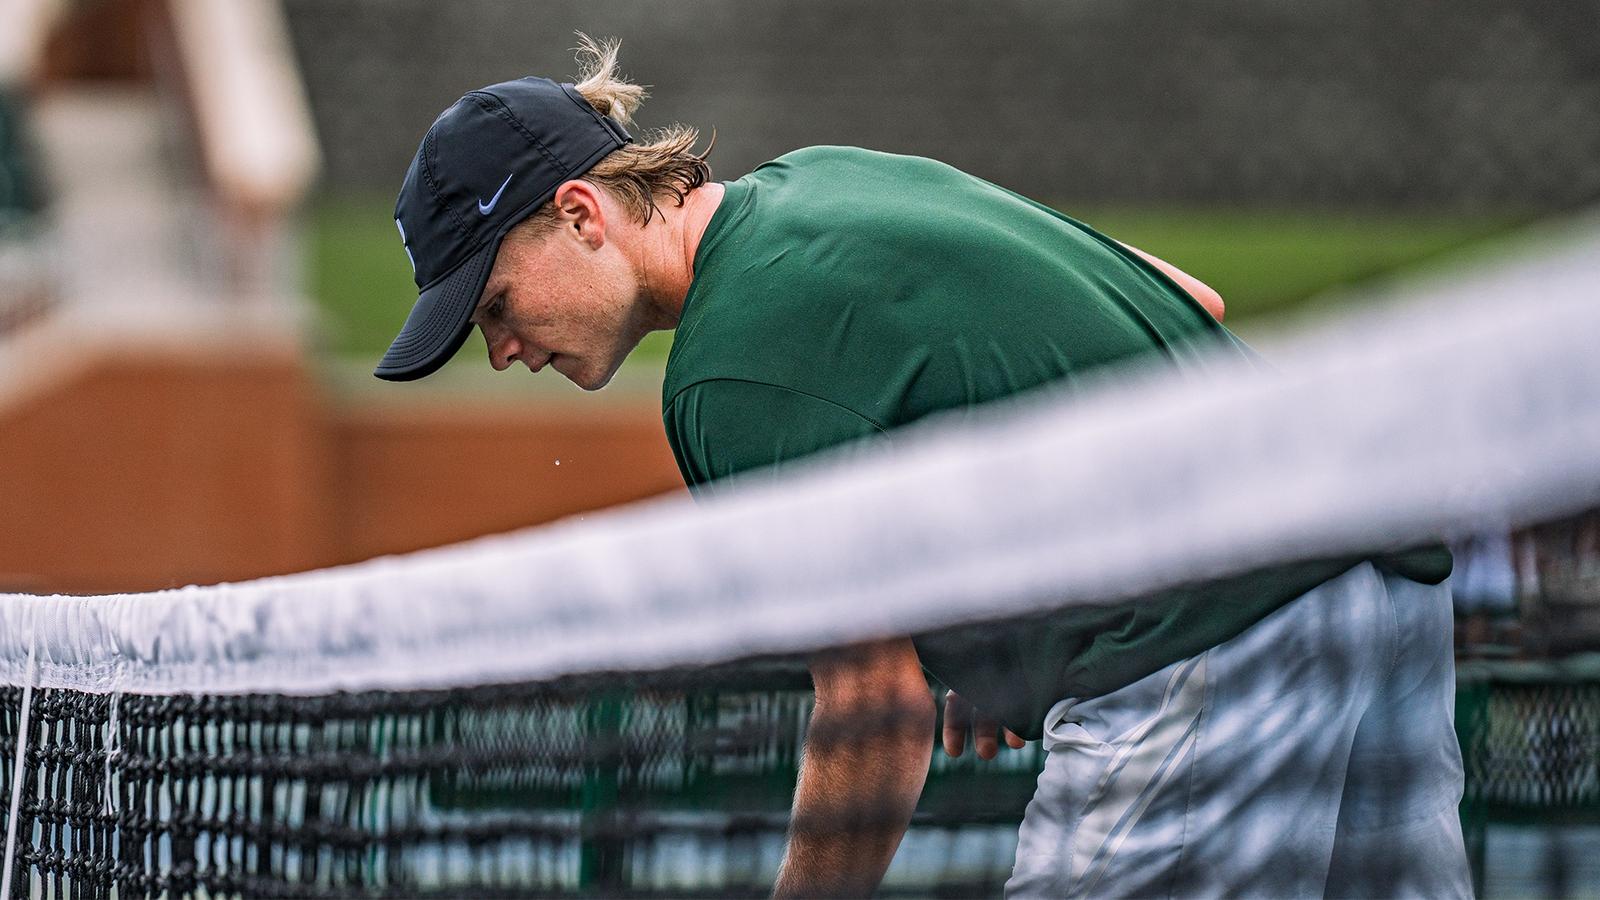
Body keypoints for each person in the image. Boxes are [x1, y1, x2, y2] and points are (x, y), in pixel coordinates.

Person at [376, 37, 1472, 899]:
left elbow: (874, 710)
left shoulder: (728, 381)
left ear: (579, 215)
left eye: (497, 307)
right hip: (1372, 577)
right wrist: (996, 627)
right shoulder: (830, 177)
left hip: (1205, 633)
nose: (504, 349)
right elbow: (1180, 295)